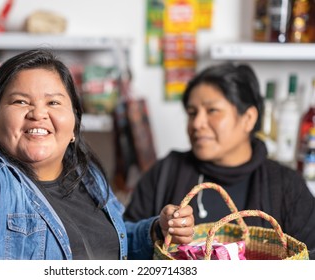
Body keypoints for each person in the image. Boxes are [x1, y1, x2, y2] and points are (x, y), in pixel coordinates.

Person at [0, 49, 194, 260]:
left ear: (74, 127)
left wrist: (157, 230)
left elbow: (115, 242)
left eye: (53, 102)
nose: (38, 113)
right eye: (20, 101)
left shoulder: (88, 176)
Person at [124, 62, 315, 259]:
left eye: (212, 110)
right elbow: (120, 242)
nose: (197, 123)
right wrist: (157, 229)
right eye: (192, 113)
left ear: (248, 118)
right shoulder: (165, 172)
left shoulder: (287, 186)